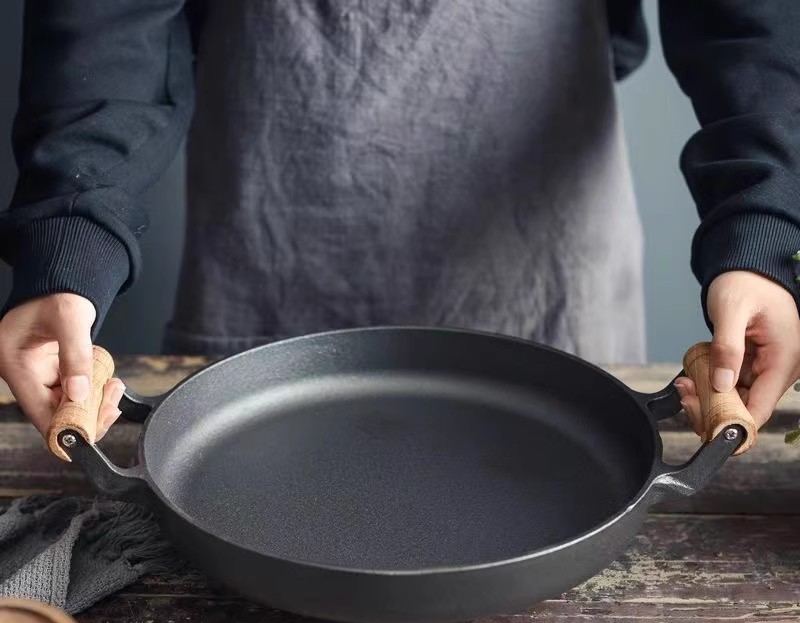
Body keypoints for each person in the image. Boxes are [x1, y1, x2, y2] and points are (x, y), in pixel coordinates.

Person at [0, 1, 799, 443]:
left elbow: (748, 18)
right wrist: (71, 242)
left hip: (541, 246)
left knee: (568, 467)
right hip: (273, 218)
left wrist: (760, 230)